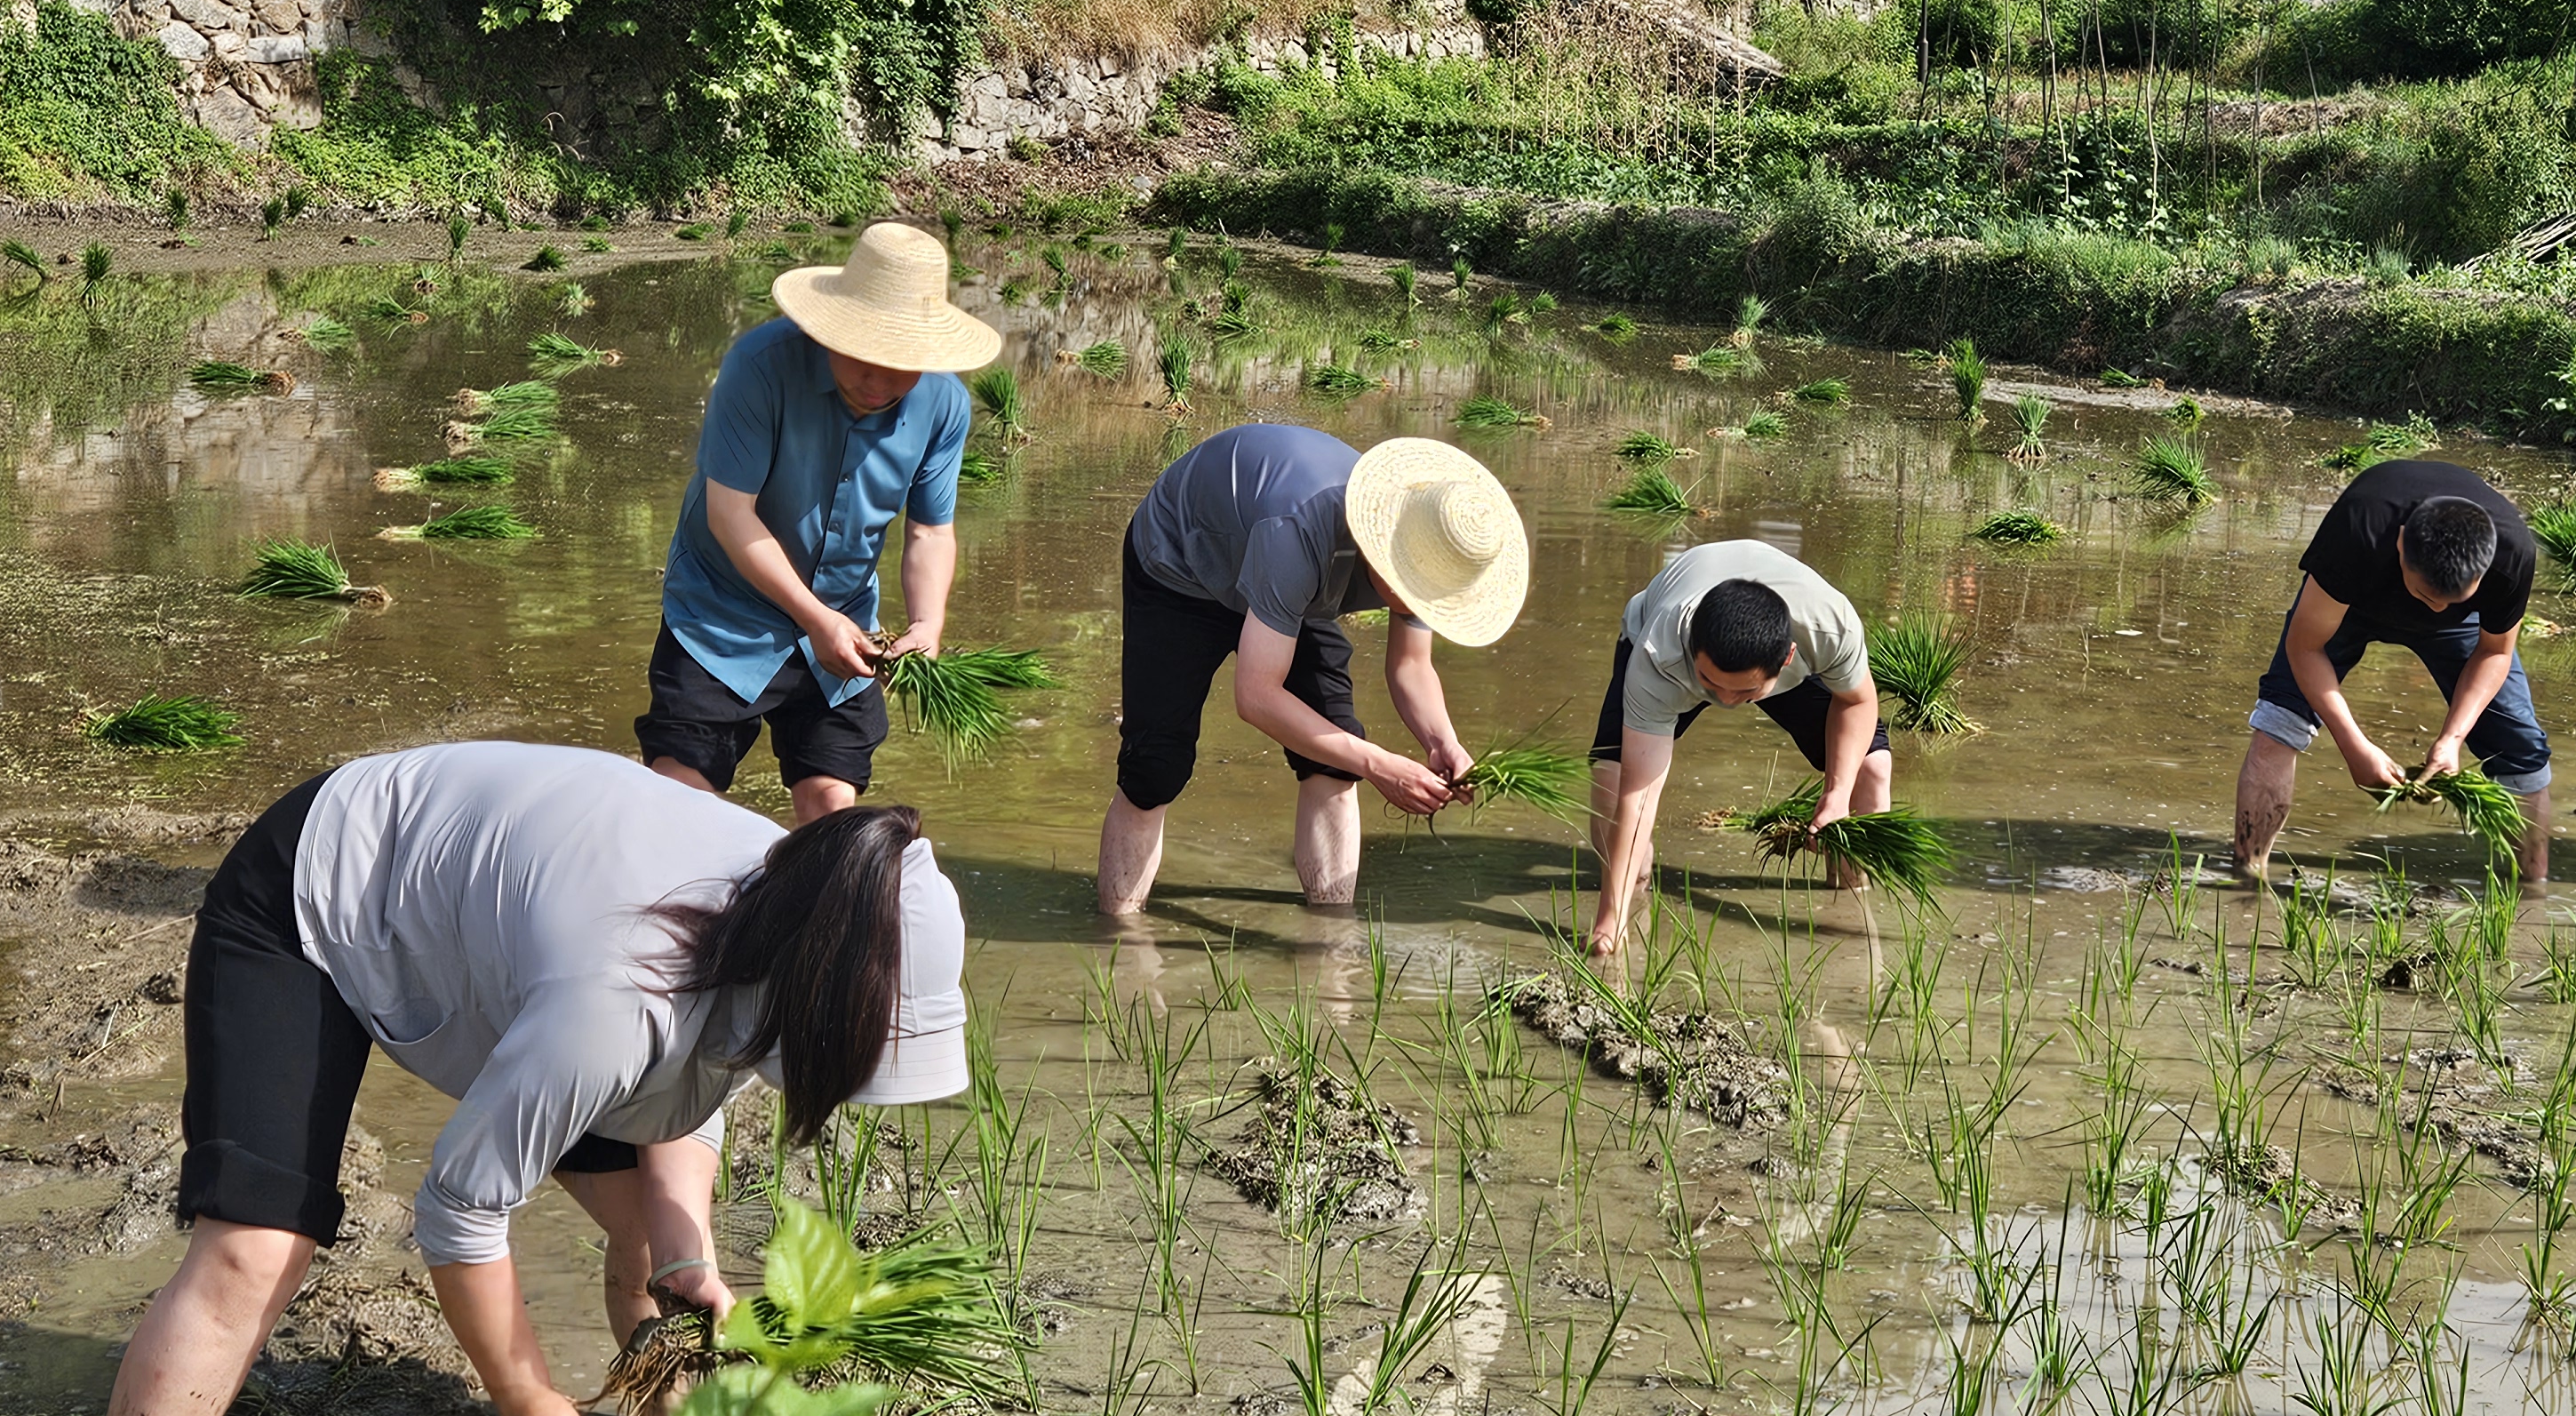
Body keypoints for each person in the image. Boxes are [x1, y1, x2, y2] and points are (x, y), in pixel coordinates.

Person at [84, 742, 970, 1416]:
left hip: (526, 952)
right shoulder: (619, 996)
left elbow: (692, 1090)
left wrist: (684, 1251)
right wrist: (523, 1397)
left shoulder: (804, 906)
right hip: (318, 891)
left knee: (650, 1249)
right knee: (257, 1248)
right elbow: (459, 1210)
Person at [642, 221, 994, 823]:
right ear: (832, 330)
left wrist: (927, 626)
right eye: (864, 356)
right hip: (723, 614)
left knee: (832, 809)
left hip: (846, 624)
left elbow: (930, 532)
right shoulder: (760, 367)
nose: (879, 382)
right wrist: (813, 619)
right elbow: (730, 515)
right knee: (679, 799)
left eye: (901, 364)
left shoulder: (944, 404)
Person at [1097, 428, 1530, 915]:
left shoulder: (1432, 551)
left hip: (1288, 590)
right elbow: (1257, 696)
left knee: (1335, 755)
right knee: (1155, 767)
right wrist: (1379, 764)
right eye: (1415, 590)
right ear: (1387, 558)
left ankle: (1330, 941)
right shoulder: (1300, 531)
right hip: (1182, 566)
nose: (1421, 604)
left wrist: (1443, 742)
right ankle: (1118, 943)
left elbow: (1411, 666)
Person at [2233, 458, 2556, 886]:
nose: (2436, 608)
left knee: (2521, 751)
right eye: (2427, 594)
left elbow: (2495, 652)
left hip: (2459, 631)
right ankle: (2245, 881)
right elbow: (2305, 646)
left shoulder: (2512, 553)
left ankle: (2531, 894)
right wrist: (2354, 747)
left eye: (2452, 598)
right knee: (2279, 722)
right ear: (2401, 544)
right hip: (2350, 604)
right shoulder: (2360, 529)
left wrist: (2451, 741)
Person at [1586, 540, 1889, 959]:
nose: (1725, 702)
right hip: (1670, 654)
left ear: (1787, 659)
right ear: (1694, 652)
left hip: (1768, 651)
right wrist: (1610, 917)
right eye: (1713, 688)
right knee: (1612, 781)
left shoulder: (1828, 626)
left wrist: (1837, 794)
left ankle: (1853, 907)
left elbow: (1856, 701)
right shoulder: (1661, 653)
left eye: (1743, 691)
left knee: (1871, 772)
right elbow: (1639, 796)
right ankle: (1632, 888)